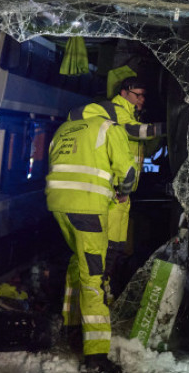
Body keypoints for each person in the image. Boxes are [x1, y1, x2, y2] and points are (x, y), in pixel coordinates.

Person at [46, 108, 137, 373]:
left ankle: (71, 323)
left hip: (59, 206)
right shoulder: (109, 127)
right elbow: (128, 173)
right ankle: (96, 356)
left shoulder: (63, 129)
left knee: (78, 260)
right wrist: (122, 193)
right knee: (94, 277)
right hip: (88, 209)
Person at [69, 75, 165, 292]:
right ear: (124, 93)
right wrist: (167, 127)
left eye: (143, 96)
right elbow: (135, 131)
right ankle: (93, 298)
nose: (141, 99)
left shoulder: (130, 113)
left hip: (122, 193)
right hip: (111, 193)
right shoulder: (116, 110)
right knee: (104, 251)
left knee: (115, 250)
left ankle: (104, 293)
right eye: (137, 95)